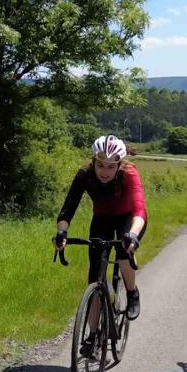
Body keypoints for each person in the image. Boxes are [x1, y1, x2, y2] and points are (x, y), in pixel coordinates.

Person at [54, 134, 148, 322]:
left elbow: (139, 208)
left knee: (123, 253)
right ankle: (92, 335)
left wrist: (132, 234)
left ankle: (132, 293)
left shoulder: (129, 173)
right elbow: (68, 207)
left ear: (119, 164)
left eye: (111, 166)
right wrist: (62, 232)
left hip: (128, 219)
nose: (104, 171)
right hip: (102, 218)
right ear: (93, 162)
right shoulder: (85, 175)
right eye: (100, 165)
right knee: (95, 276)